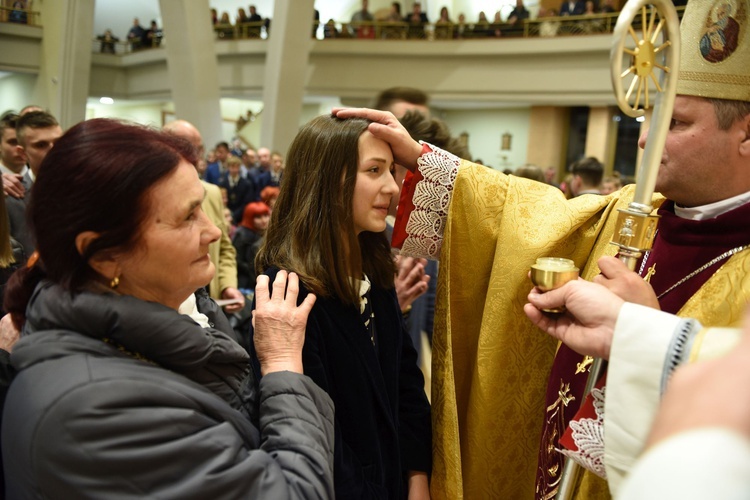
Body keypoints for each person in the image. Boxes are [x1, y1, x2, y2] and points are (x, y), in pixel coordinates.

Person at [333, 1, 750, 496]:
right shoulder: (633, 210)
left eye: (674, 124)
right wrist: (428, 166)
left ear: (745, 134)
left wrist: (651, 335)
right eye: (649, 118)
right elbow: (527, 221)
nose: (645, 141)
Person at [1, 118, 335, 497]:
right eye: (188, 216)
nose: (212, 231)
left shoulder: (181, 313)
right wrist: (282, 366)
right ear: (104, 255)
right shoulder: (97, 412)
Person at [252, 114, 432, 498]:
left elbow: (405, 383)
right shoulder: (288, 291)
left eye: (391, 172)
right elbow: (319, 435)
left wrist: (418, 477)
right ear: (327, 181)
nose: (392, 187)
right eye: (374, 170)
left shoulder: (373, 265)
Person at [163, 120, 245, 314]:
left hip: (211, 305)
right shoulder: (156, 197)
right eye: (186, 149)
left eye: (199, 150)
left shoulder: (213, 192)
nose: (196, 157)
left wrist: (227, 286)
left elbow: (224, 246)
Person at [233, 201, 270, 291]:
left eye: (265, 216)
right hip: (246, 282)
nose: (263, 220)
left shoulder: (266, 233)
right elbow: (238, 260)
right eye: (258, 217)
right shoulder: (242, 234)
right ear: (249, 218)